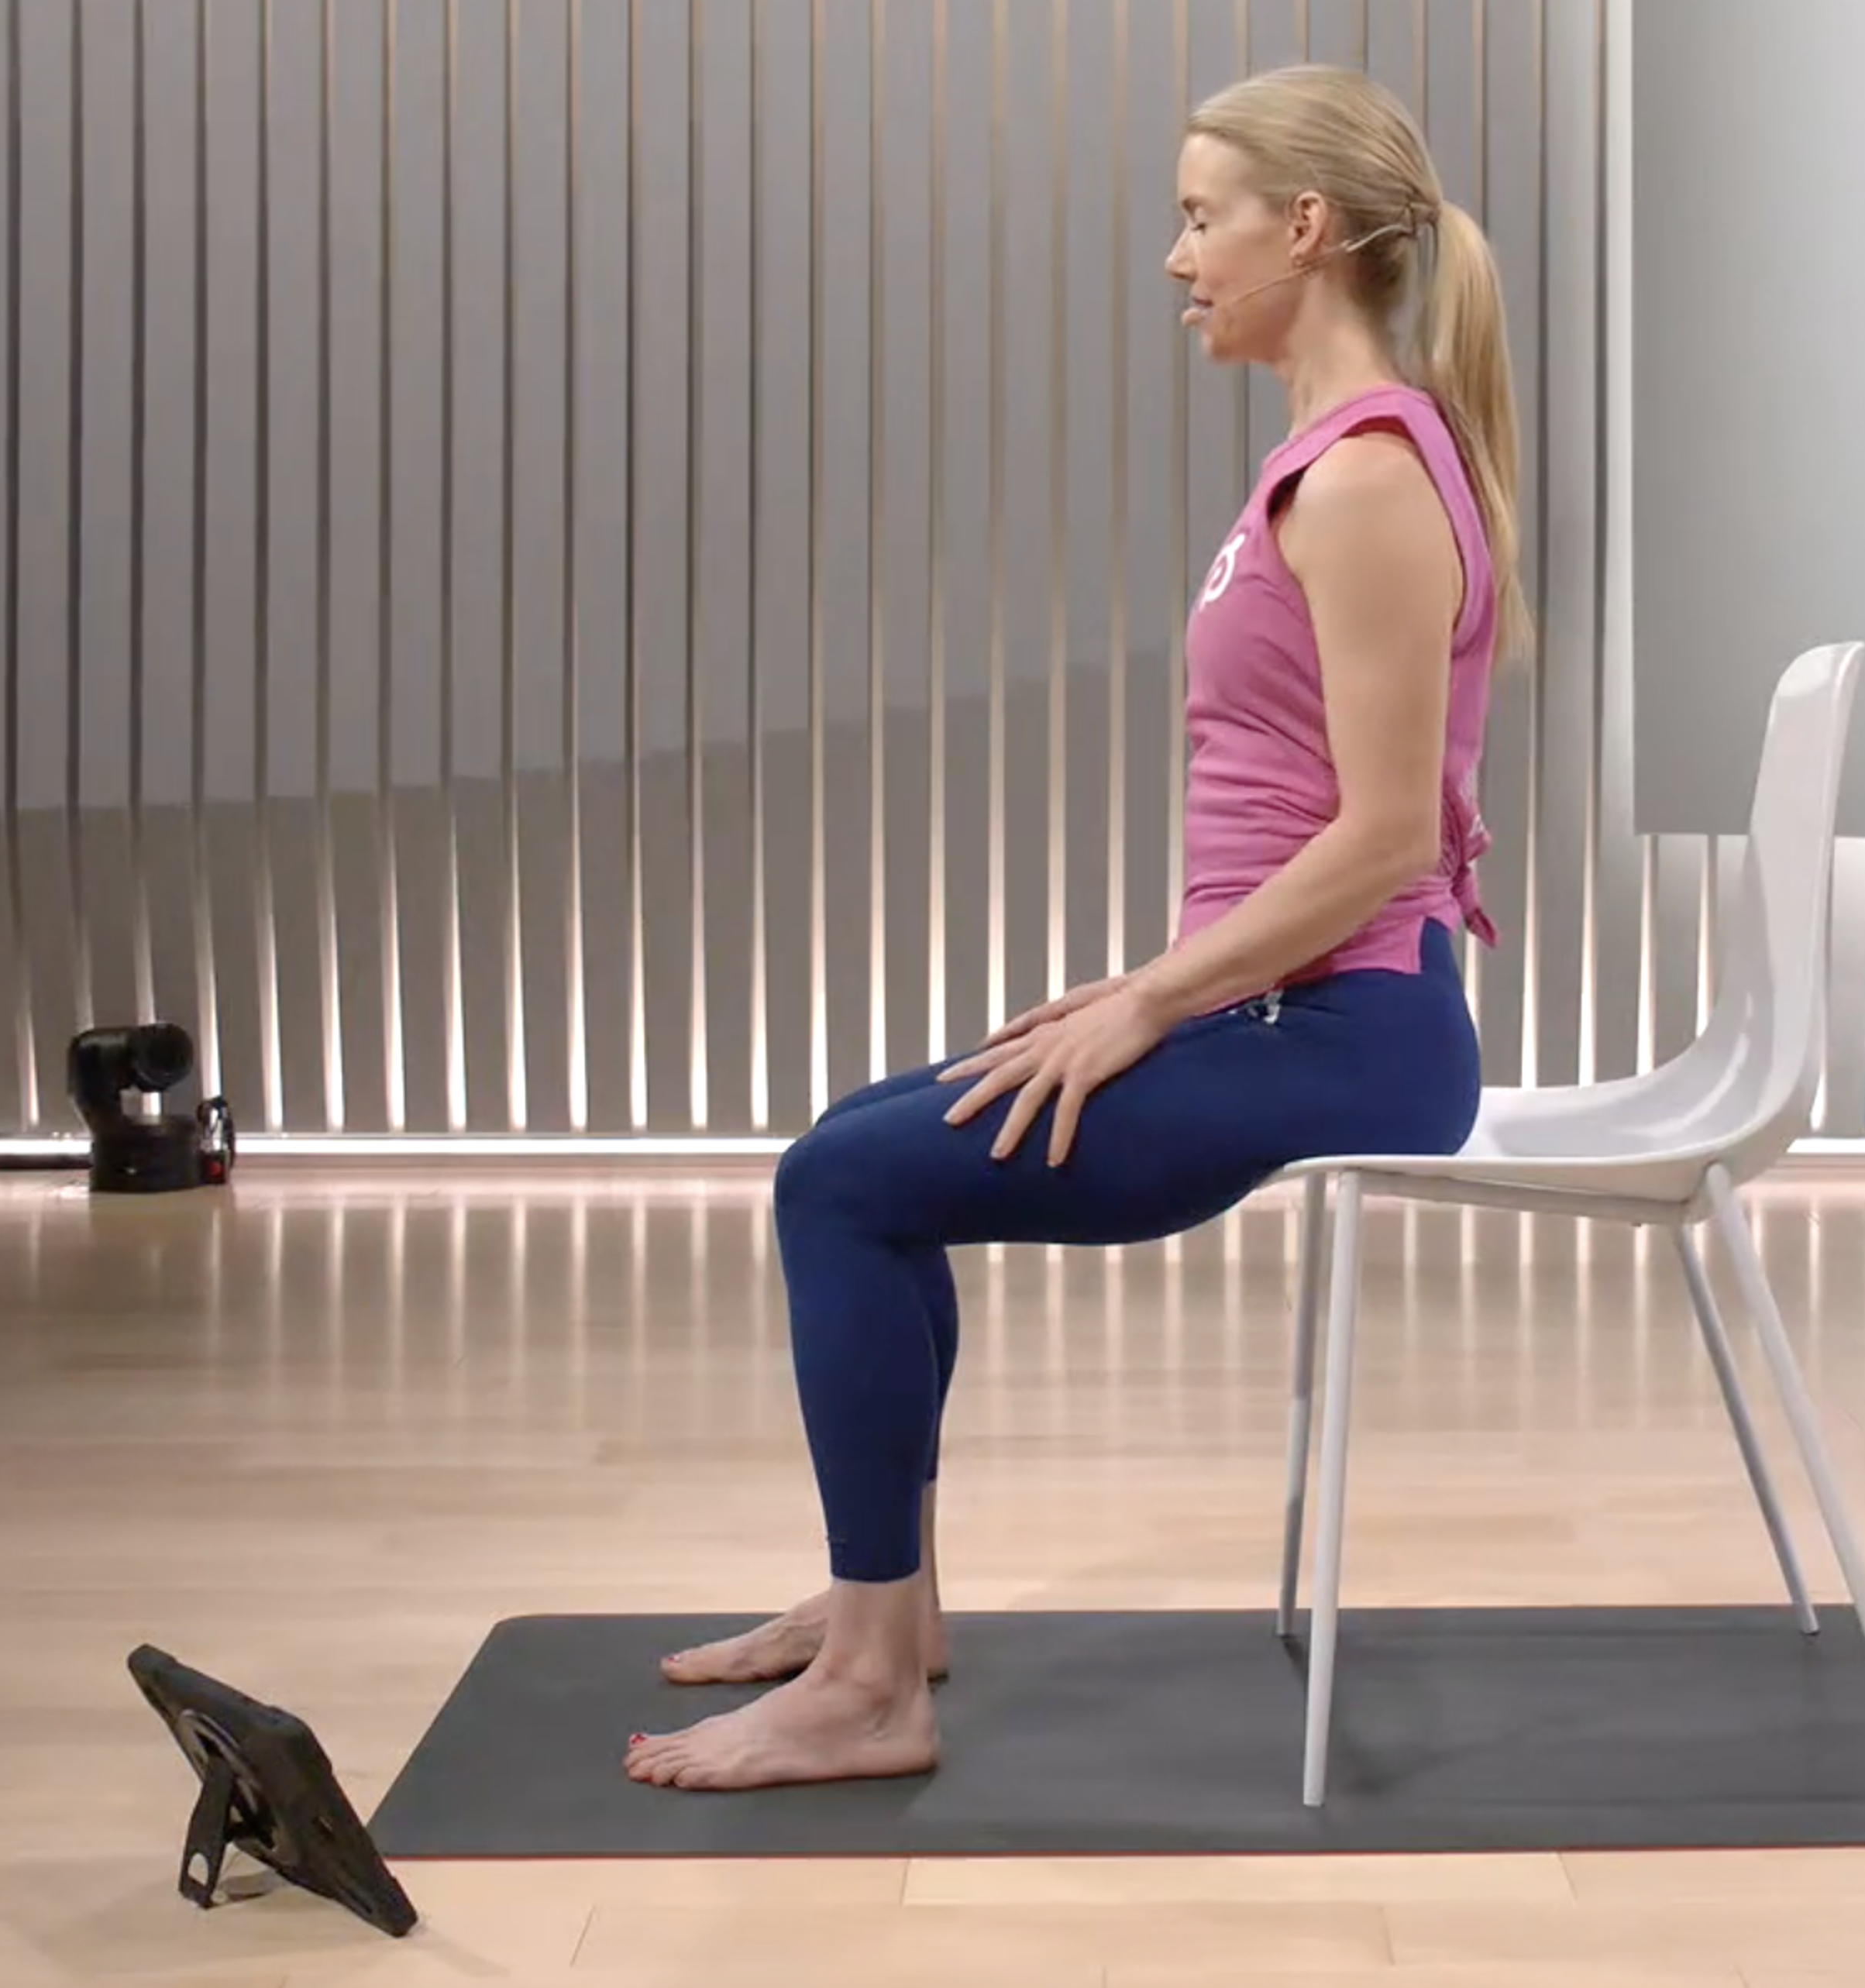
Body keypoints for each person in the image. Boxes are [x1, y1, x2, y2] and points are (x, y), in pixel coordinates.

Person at [624, 63, 1529, 1791]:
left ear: (1308, 229)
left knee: (846, 1186)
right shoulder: (1338, 459)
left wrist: (1154, 1006)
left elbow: (1390, 833)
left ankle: (875, 1682)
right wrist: (1153, 987)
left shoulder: (1364, 480)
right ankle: (885, 1608)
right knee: (850, 1151)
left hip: (1348, 1039)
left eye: (1203, 217)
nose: (1177, 258)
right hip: (1283, 1008)